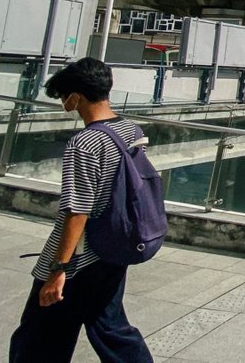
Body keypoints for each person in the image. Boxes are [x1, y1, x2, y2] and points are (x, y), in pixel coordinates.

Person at [9, 57, 153, 362]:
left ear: (77, 96)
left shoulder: (84, 143)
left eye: (64, 95)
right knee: (109, 328)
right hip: (115, 245)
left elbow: (77, 210)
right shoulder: (129, 129)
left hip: (80, 257)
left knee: (38, 336)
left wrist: (58, 270)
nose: (63, 102)